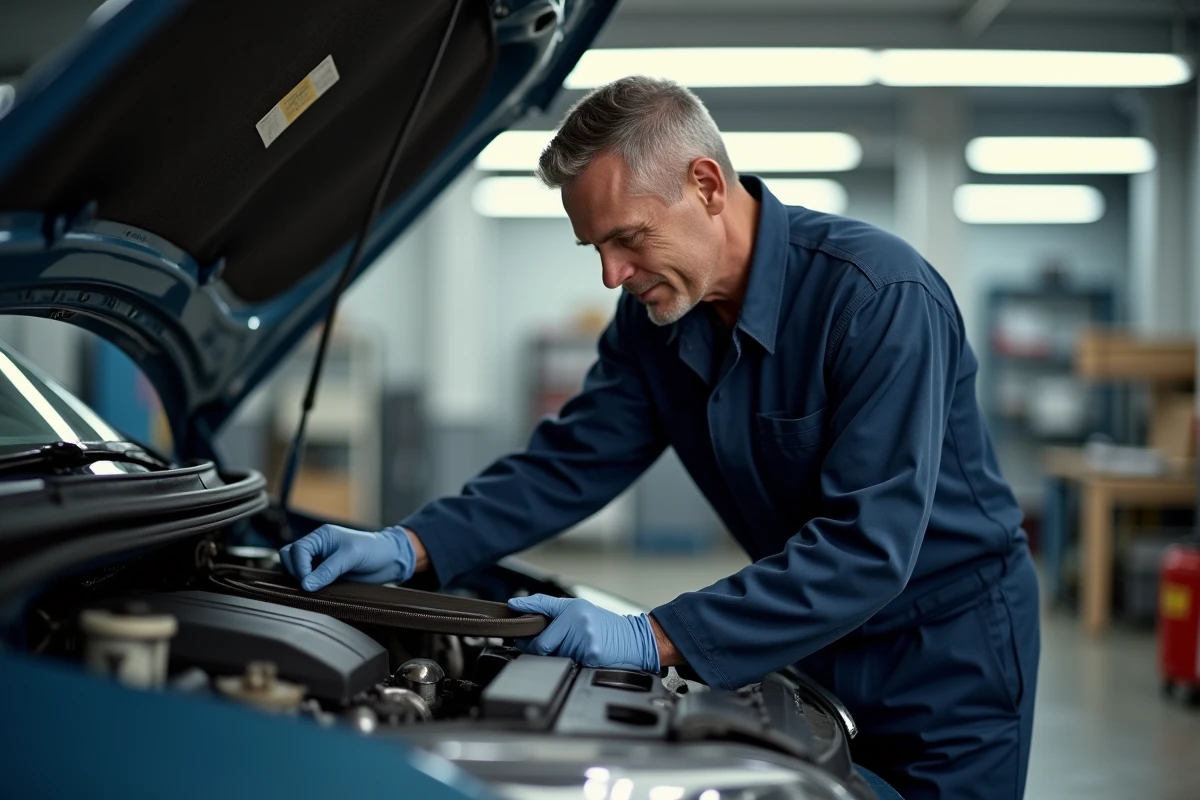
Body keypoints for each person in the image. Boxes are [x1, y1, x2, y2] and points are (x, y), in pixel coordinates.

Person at [279, 76, 1039, 800]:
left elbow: (869, 546)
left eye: (628, 238)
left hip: (946, 652)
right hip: (807, 630)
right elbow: (568, 464)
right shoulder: (656, 325)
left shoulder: (876, 299)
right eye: (596, 250)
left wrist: (655, 636)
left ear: (706, 185)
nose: (613, 275)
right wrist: (411, 545)